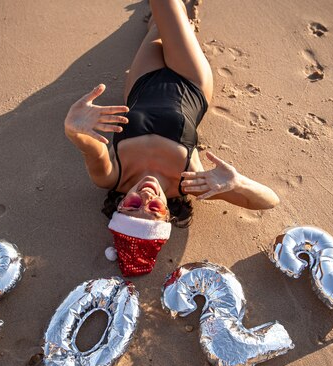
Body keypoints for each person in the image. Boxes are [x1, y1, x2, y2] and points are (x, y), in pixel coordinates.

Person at [64, 0, 279, 276]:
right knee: (166, 7)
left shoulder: (111, 177)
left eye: (132, 205)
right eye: (153, 207)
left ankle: (170, 25)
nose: (146, 195)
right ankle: (183, 24)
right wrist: (237, 183)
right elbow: (269, 201)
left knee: (159, 23)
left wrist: (73, 130)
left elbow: (90, 147)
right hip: (191, 82)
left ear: (120, 204)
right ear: (167, 214)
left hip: (143, 81)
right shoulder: (191, 183)